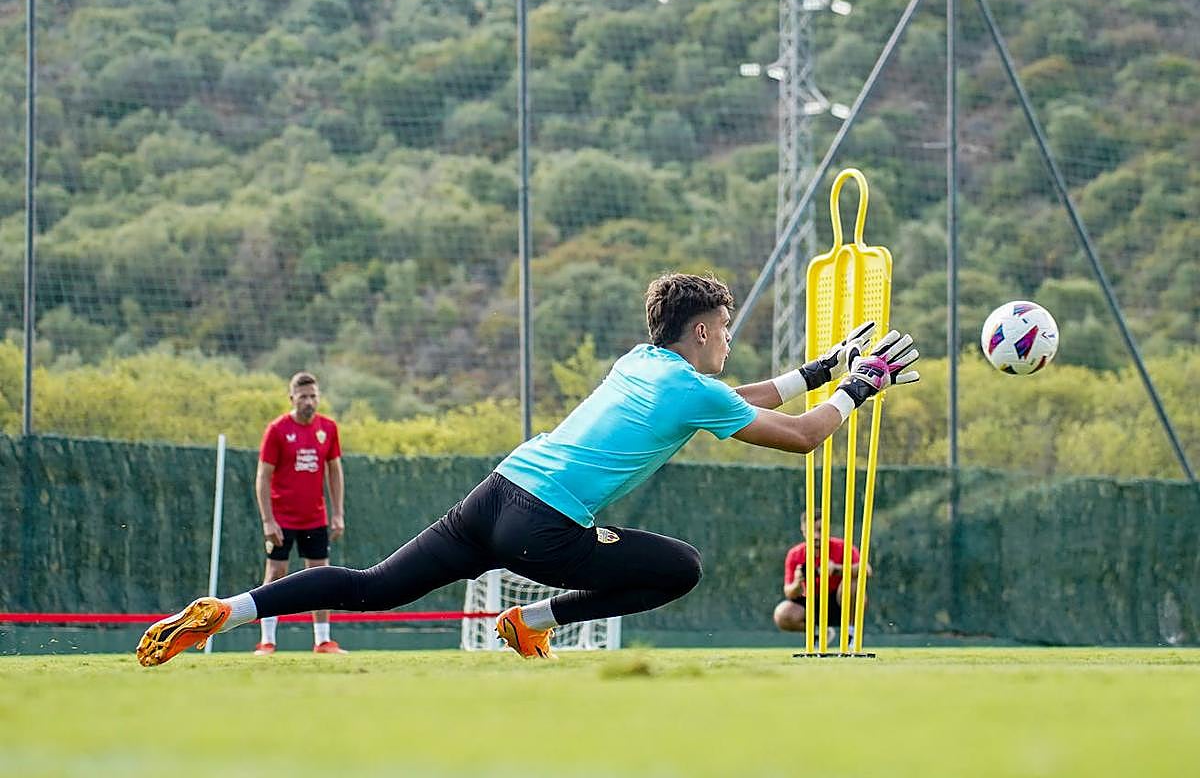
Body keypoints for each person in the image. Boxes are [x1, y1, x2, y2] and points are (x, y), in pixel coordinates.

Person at [137, 273, 918, 666]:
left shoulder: (646, 363)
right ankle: (532, 623)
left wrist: (823, 368)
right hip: (542, 523)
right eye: (724, 329)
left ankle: (227, 610)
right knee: (681, 567)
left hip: (498, 491)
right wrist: (859, 386)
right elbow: (803, 437)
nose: (727, 341)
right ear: (707, 329)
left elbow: (737, 398)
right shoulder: (688, 384)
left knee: (370, 586)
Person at [253, 371, 347, 656]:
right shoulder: (277, 429)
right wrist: (268, 520)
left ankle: (322, 641)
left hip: (314, 517)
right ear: (292, 398)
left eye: (313, 396)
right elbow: (263, 477)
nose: (309, 401)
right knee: (276, 573)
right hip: (282, 519)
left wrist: (338, 512)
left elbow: (335, 471)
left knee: (320, 576)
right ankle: (267, 641)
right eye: (303, 396)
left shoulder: (328, 428)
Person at [772, 509, 872, 643]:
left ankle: (851, 633)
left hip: (839, 602)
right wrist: (797, 582)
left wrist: (837, 569)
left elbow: (866, 570)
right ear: (803, 530)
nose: (816, 536)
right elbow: (789, 593)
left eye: (820, 530)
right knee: (782, 614)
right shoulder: (795, 554)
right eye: (811, 530)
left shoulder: (843, 547)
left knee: (852, 584)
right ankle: (819, 633)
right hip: (811, 602)